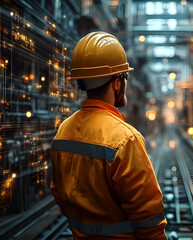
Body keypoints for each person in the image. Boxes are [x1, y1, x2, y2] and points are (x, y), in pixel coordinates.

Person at [50, 32, 167, 239]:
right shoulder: (125, 139)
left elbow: (59, 194)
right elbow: (149, 218)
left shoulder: (63, 132)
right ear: (116, 82)